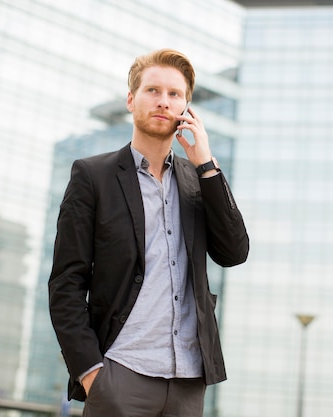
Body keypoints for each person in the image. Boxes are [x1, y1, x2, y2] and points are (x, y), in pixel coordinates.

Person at [48, 48, 249, 417]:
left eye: (175, 94)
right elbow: (66, 283)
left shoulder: (198, 180)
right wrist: (91, 373)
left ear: (187, 108)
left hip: (189, 381)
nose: (163, 101)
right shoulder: (93, 177)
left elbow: (234, 252)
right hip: (120, 374)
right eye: (152, 90)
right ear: (131, 99)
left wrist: (206, 164)